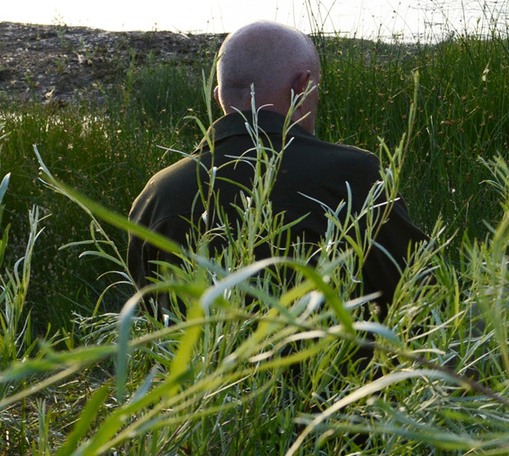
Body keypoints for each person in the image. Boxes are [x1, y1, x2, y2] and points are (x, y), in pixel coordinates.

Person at [126, 20, 426, 316]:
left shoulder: (157, 194)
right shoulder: (352, 176)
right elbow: (420, 293)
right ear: (303, 86)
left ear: (219, 98)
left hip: (203, 365)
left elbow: (153, 318)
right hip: (329, 363)